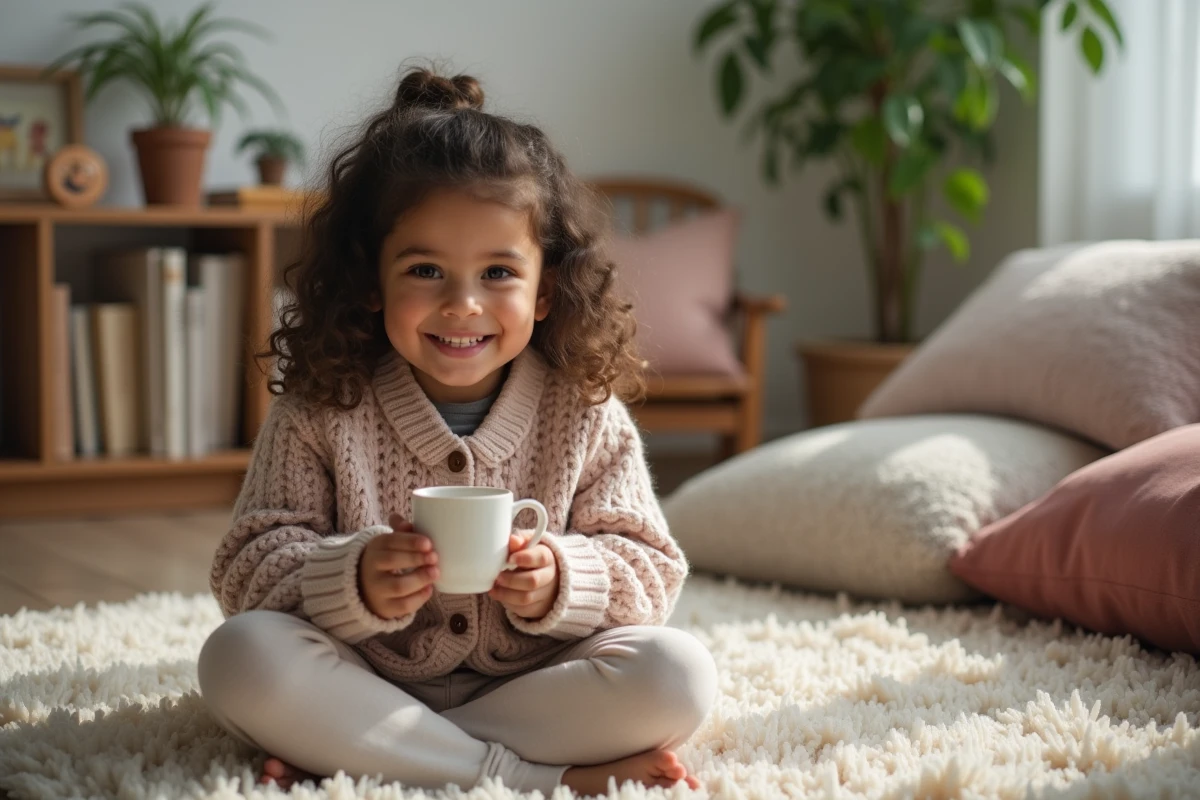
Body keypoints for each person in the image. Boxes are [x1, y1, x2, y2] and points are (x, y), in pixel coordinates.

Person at [197, 65, 718, 796]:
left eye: (500, 272)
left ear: (547, 290)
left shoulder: (584, 412)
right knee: (238, 655)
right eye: (426, 270)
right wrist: (349, 577)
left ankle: (368, 753)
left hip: (534, 690)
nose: (464, 304)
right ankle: (538, 779)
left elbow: (651, 568)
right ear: (371, 283)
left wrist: (563, 580)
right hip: (362, 675)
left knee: (680, 675)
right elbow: (248, 565)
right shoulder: (321, 407)